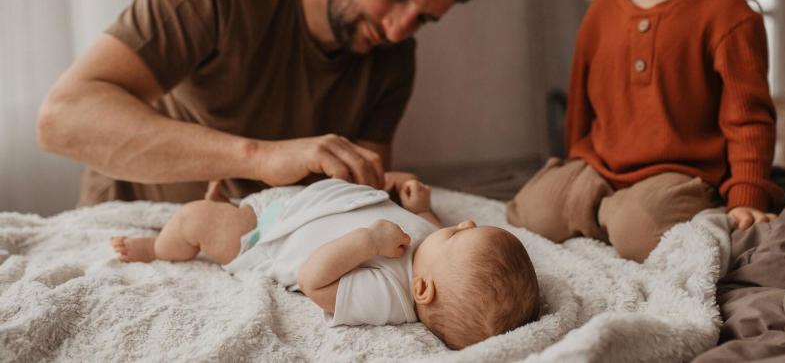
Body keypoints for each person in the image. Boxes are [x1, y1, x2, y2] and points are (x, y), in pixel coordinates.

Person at [36, 0, 484, 205]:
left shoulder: (395, 58)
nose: (398, 29)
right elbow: (62, 118)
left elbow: (356, 191)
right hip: (138, 224)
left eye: (424, 18)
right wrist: (260, 158)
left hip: (259, 247)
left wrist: (387, 189)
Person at [507, 0, 781, 262]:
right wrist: (577, 162)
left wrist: (747, 194)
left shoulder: (727, 15)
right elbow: (581, 104)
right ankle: (604, 210)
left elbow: (748, 119)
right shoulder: (601, 12)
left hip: (681, 173)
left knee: (639, 230)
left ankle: (614, 216)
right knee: (531, 210)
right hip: (601, 166)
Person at [110, 175, 540, 350]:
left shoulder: (390, 295)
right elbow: (429, 226)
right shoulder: (430, 246)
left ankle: (158, 247)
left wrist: (366, 241)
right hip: (300, 204)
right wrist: (423, 208)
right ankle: (229, 206)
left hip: (265, 239)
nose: (463, 222)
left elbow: (313, 279)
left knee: (196, 220)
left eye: (458, 235)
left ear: (424, 290)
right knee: (230, 208)